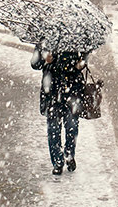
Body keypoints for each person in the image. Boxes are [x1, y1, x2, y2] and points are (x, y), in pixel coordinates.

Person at [31, 43, 88, 176]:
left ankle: (69, 155)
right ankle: (57, 161)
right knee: (53, 128)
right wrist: (45, 59)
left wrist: (81, 64)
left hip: (73, 89)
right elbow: (35, 64)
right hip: (52, 90)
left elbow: (85, 58)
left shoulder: (77, 39)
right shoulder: (45, 40)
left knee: (72, 125)